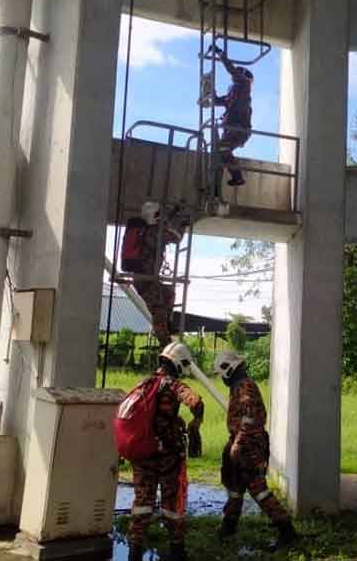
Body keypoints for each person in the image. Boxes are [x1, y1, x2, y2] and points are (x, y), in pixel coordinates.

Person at [213, 350, 298, 551]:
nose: (222, 379)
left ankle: (287, 532)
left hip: (249, 447)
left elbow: (250, 418)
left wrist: (238, 443)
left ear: (229, 369)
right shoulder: (239, 386)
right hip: (242, 444)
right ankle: (229, 526)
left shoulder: (245, 387)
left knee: (258, 490)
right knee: (235, 486)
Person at [128, 342, 204, 561]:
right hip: (167, 456)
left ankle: (134, 552)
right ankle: (177, 551)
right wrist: (195, 422)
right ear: (178, 363)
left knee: (142, 504)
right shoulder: (173, 384)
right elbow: (196, 401)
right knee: (172, 503)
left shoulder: (144, 384)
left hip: (143, 453)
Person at [121, 201, 188, 348]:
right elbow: (176, 239)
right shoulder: (155, 232)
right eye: (159, 215)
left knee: (169, 293)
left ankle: (167, 325)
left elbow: (164, 226)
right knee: (158, 312)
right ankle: (166, 346)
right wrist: (183, 225)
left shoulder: (145, 231)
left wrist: (173, 213)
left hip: (144, 278)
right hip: (146, 280)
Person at [208, 44, 253, 187]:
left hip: (239, 130)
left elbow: (231, 70)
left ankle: (238, 177)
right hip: (231, 129)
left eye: (238, 74)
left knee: (222, 149)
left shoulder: (244, 87)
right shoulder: (232, 94)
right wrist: (209, 90)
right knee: (220, 151)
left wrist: (220, 53)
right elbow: (216, 101)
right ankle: (231, 179)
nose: (234, 77)